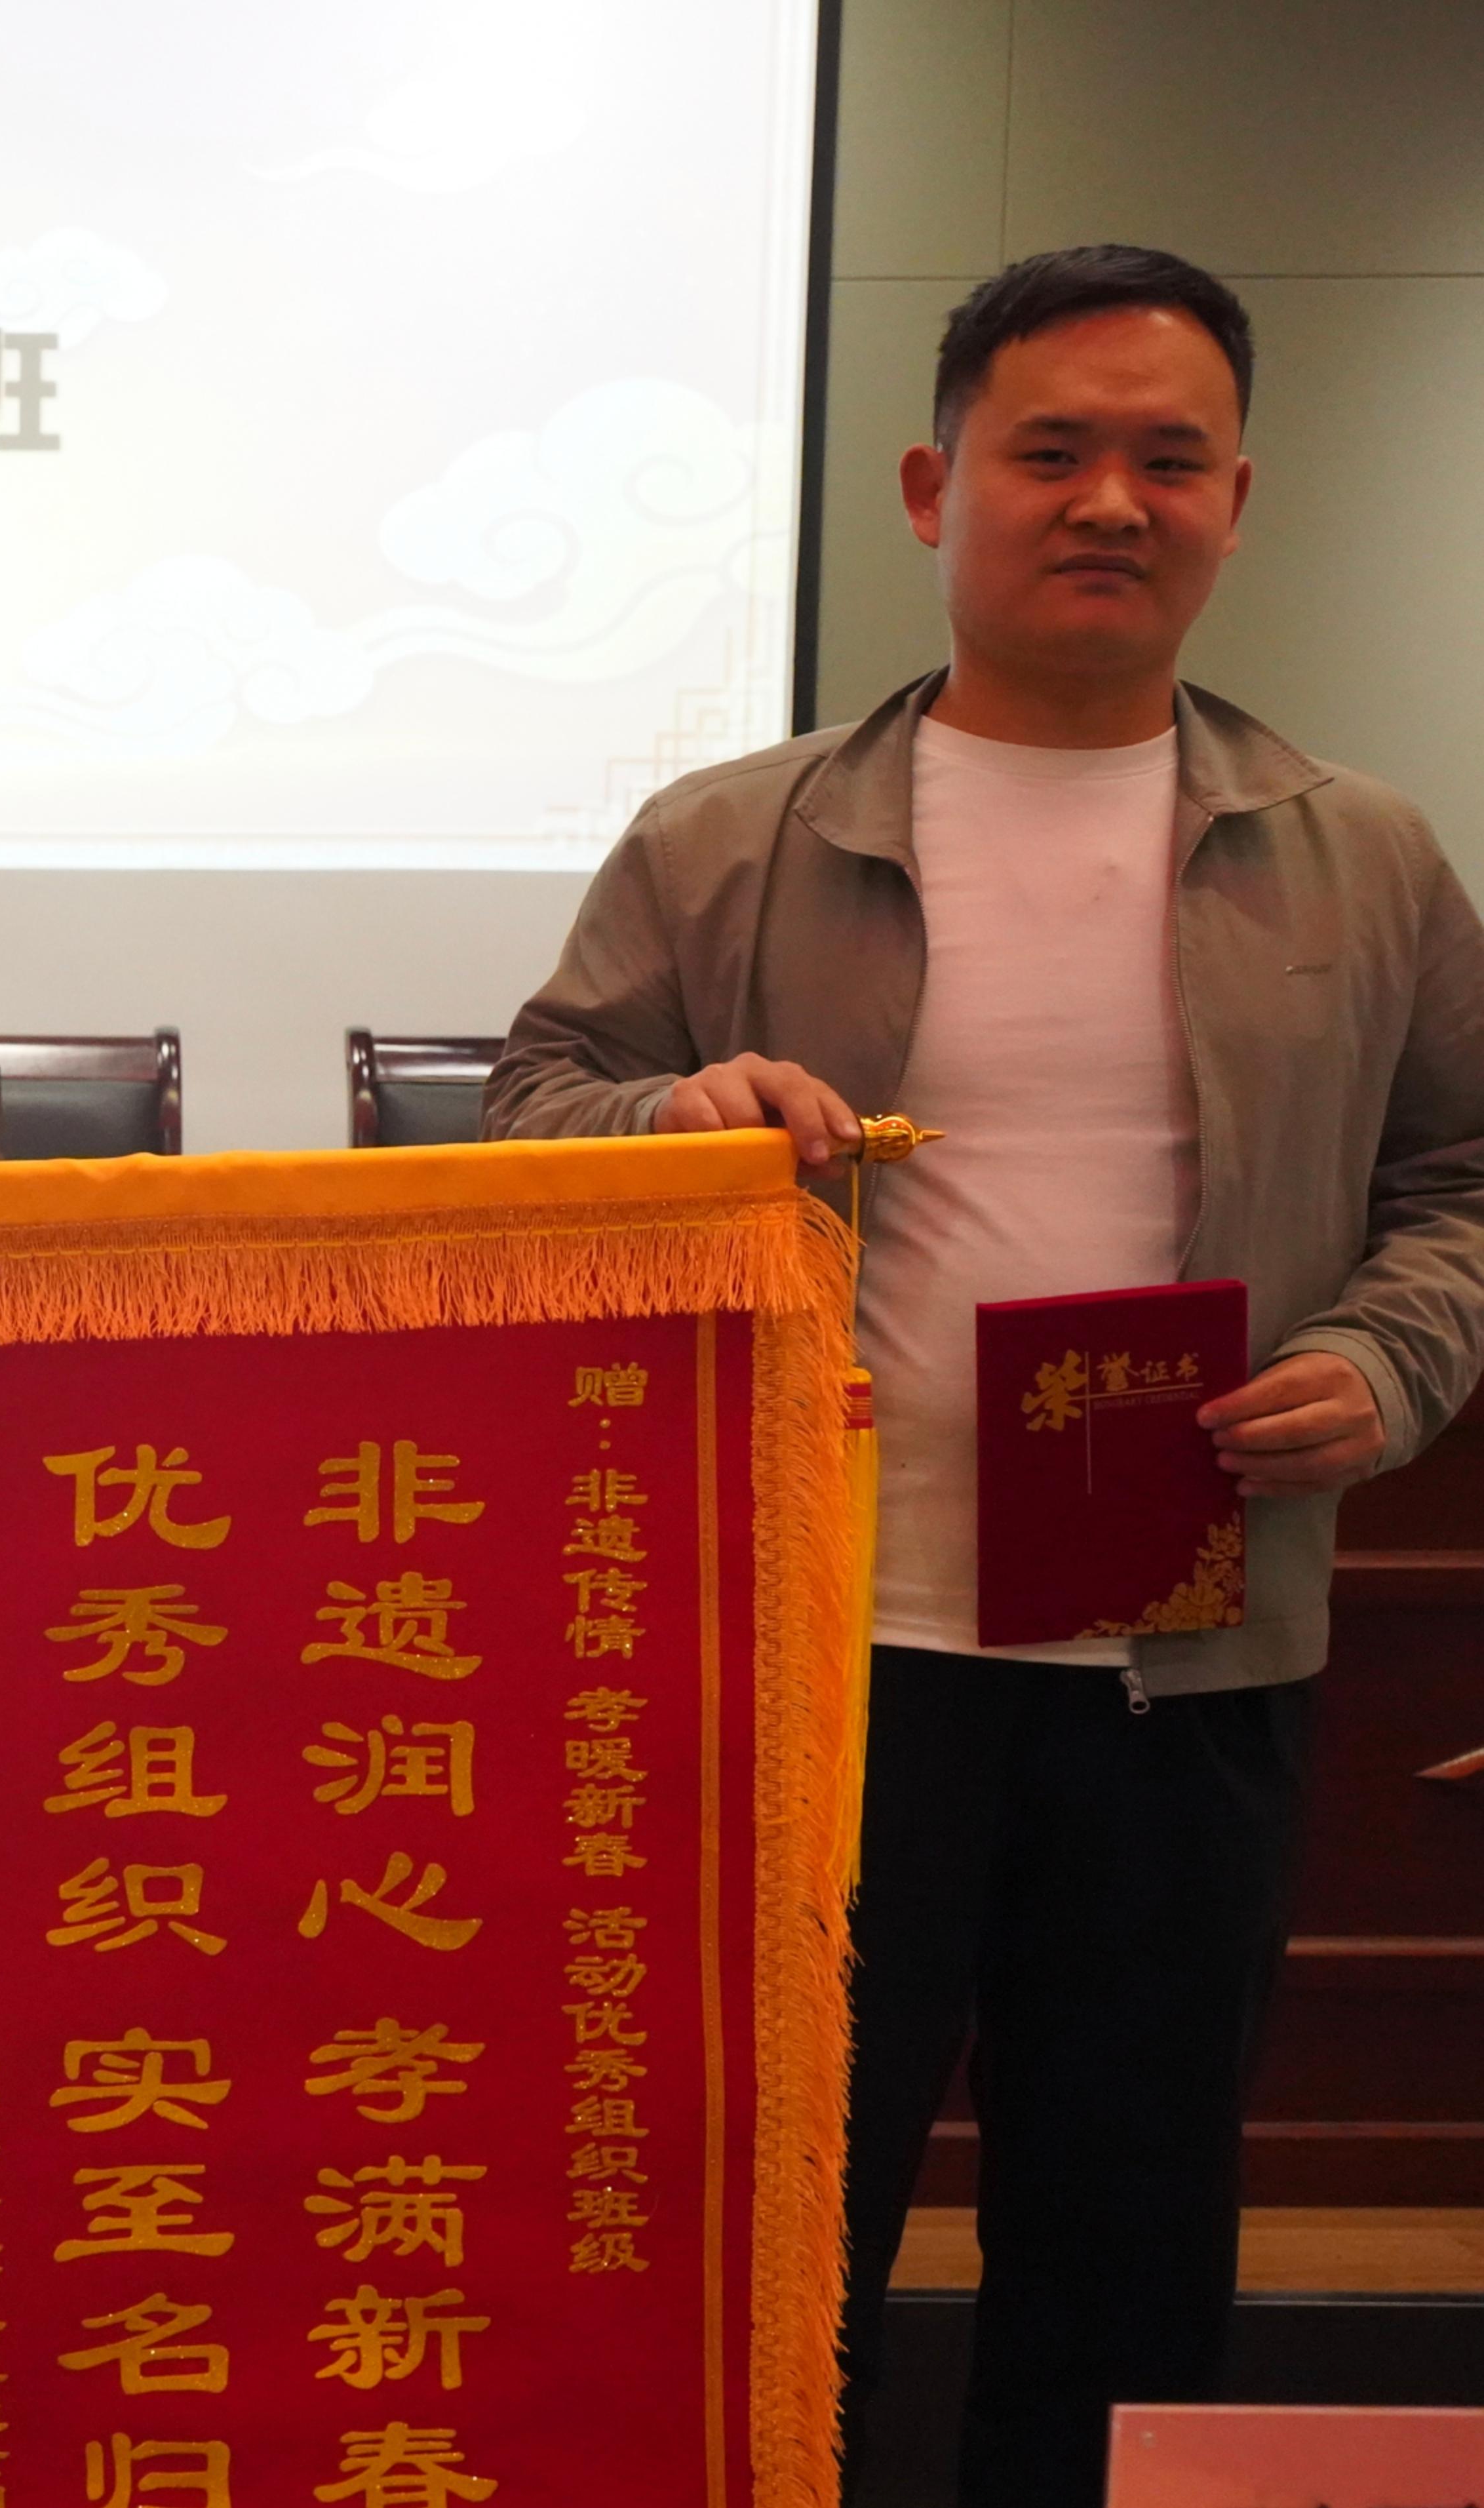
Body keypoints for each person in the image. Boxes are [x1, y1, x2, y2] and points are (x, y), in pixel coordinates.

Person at [483, 245, 1484, 2505]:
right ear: (935, 490)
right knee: (770, 2233)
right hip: (813, 1661)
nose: (1111, 499)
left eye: (1169, 458)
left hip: (1185, 1662)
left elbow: (1465, 1179)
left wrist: (1388, 1355)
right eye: (1053, 451)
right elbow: (527, 1111)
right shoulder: (728, 836)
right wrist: (665, 1117)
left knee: (1127, 2239)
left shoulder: (1362, 853)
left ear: (1239, 501)